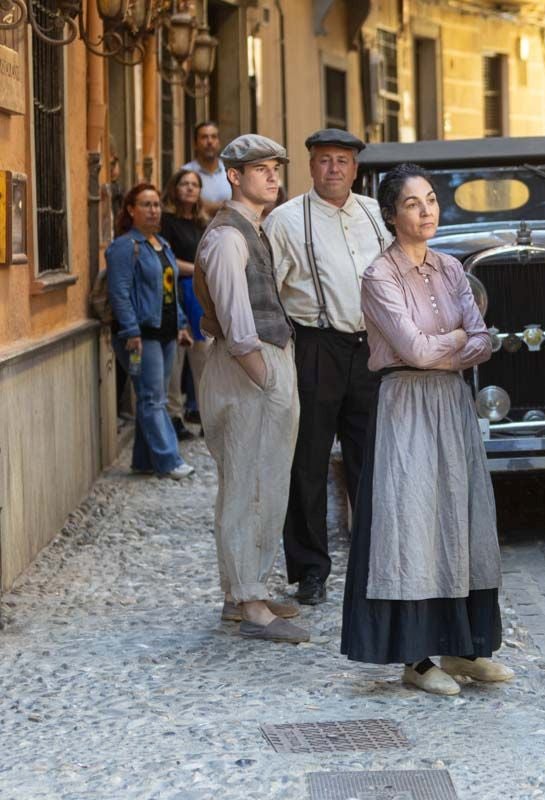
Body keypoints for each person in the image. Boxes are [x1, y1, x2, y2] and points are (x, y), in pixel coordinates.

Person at [340, 163, 510, 697]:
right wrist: (458, 339)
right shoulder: (379, 275)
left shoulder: (452, 268)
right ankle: (416, 658)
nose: (427, 210)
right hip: (407, 401)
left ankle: (464, 647)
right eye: (413, 203)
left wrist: (456, 341)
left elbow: (485, 341)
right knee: (413, 519)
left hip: (451, 404)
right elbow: (413, 350)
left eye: (432, 200)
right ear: (391, 215)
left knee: (460, 516)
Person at [264, 129, 391, 606]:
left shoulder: (378, 215)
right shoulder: (284, 221)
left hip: (370, 349)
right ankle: (310, 570)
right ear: (310, 166)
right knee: (308, 463)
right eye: (324, 160)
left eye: (342, 160)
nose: (333, 168)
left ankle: (375, 559)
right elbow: (269, 294)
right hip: (315, 346)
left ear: (356, 169)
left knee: (372, 459)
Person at [193, 134, 306, 643]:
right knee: (249, 485)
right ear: (234, 176)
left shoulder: (250, 229)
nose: (272, 176)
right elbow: (238, 328)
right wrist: (267, 378)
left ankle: (245, 592)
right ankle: (249, 601)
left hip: (260, 365)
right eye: (260, 169)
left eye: (275, 168)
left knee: (263, 481)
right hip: (248, 371)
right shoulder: (227, 237)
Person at [105, 183, 195, 480]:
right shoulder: (124, 247)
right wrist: (130, 330)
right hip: (140, 334)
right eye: (146, 204)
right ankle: (169, 460)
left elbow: (170, 292)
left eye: (156, 204)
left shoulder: (162, 245)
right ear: (131, 210)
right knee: (153, 398)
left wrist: (182, 324)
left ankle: (143, 460)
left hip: (166, 332)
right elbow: (119, 292)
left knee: (150, 396)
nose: (153, 210)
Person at [160, 167, 212, 438]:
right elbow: (166, 258)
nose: (190, 188)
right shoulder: (165, 222)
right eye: (185, 184)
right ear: (175, 188)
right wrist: (196, 269)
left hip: (200, 296)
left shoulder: (203, 223)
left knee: (203, 359)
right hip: (174, 293)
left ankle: (207, 415)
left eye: (195, 184)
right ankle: (174, 416)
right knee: (176, 360)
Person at [183, 121, 233, 214]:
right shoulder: (185, 173)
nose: (209, 141)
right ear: (195, 144)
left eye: (214, 137)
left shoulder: (231, 172)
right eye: (204, 137)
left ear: (219, 143)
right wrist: (224, 207)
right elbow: (187, 207)